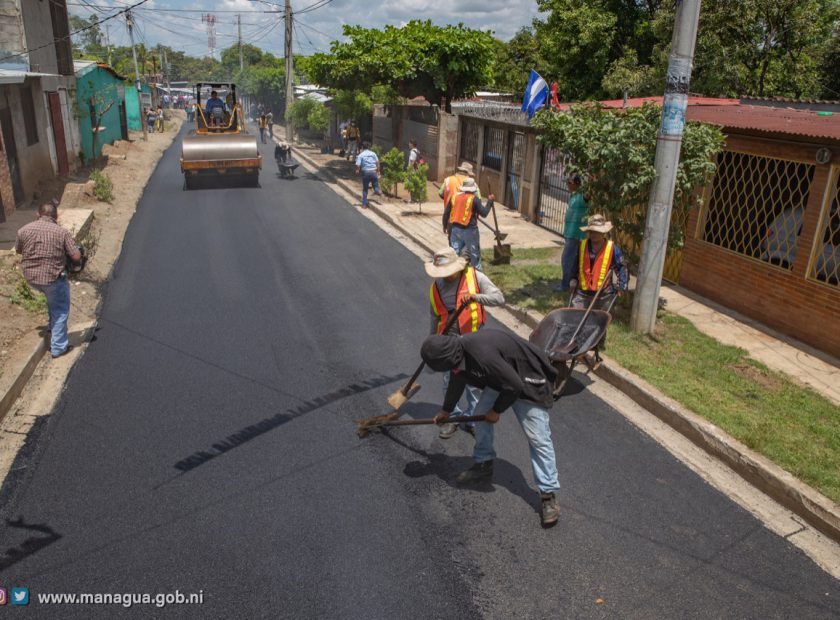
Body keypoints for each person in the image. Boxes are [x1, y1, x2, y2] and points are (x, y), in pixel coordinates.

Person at [421, 329, 562, 526]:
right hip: (503, 378)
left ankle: (548, 494)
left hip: (529, 380)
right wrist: (447, 410)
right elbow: (457, 378)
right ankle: (484, 464)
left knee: (538, 439)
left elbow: (514, 385)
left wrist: (496, 411)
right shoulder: (457, 354)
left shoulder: (481, 354)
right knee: (480, 417)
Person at [425, 247, 505, 439]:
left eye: (448, 272)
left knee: (474, 383)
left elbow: (499, 298)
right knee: (449, 380)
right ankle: (451, 417)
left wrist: (476, 297)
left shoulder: (475, 277)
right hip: (448, 342)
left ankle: (471, 418)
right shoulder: (436, 287)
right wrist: (432, 343)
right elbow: (434, 317)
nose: (445, 277)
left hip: (475, 339)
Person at [15, 202, 81, 359]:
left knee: (52, 300)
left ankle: (52, 327)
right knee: (60, 310)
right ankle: (58, 348)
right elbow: (76, 257)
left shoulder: (23, 230)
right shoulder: (61, 232)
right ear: (56, 216)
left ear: (38, 215)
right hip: (52, 279)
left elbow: (18, 250)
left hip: (31, 278)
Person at [569, 214, 629, 364]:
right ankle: (577, 345)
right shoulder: (582, 246)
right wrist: (573, 279)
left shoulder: (612, 249)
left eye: (598, 232)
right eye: (592, 232)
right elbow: (575, 264)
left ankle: (597, 344)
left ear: (604, 233)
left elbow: (622, 267)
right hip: (582, 291)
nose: (594, 235)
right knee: (577, 318)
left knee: (599, 321)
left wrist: (622, 286)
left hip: (603, 293)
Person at [442, 178, 493, 271]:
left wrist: (445, 226)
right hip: (470, 231)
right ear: (473, 189)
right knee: (474, 256)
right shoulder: (474, 199)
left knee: (455, 256)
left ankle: (455, 277)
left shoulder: (454, 197)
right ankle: (477, 279)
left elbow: (446, 213)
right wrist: (490, 202)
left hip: (455, 230)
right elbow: (484, 213)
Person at [556, 174, 588, 292]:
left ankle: (565, 285)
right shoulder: (573, 196)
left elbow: (590, 193)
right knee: (573, 261)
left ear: (577, 183)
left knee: (567, 259)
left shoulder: (582, 196)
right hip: (570, 233)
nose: (567, 185)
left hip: (576, 234)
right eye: (567, 182)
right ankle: (572, 284)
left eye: (569, 183)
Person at [355, 142, 381, 208]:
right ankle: (377, 190)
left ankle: (364, 205)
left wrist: (357, 170)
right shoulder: (373, 153)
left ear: (362, 148)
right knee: (375, 184)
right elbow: (377, 162)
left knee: (365, 189)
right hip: (373, 171)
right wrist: (378, 171)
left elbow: (358, 165)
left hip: (366, 172)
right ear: (369, 147)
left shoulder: (361, 155)